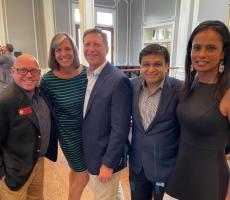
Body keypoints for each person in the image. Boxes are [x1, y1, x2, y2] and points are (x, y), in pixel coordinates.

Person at [164, 20, 230, 200]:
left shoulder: (228, 93)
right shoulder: (190, 86)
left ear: (223, 52)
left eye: (210, 48)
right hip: (180, 174)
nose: (201, 54)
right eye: (196, 47)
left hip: (209, 181)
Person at [82, 28, 132, 200]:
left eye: (96, 44)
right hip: (94, 153)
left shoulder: (118, 80)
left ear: (107, 49)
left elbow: (121, 128)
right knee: (115, 194)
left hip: (106, 157)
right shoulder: (88, 75)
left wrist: (108, 164)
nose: (91, 49)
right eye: (87, 44)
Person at [0, 54, 58, 200]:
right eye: (22, 70)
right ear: (13, 71)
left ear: (39, 73)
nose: (28, 75)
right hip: (14, 171)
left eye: (33, 71)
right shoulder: (5, 101)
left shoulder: (41, 94)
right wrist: (2, 174)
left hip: (38, 163)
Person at [39, 33, 89, 200]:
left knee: (76, 171)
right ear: (53, 54)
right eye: (58, 50)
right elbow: (44, 112)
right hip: (69, 136)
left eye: (67, 48)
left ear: (74, 51)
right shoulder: (48, 81)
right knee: (84, 176)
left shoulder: (87, 74)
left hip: (90, 134)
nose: (63, 53)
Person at [129, 44, 182, 200]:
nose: (151, 69)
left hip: (166, 167)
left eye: (157, 64)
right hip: (137, 165)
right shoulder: (132, 86)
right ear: (140, 66)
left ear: (167, 66)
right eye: (146, 64)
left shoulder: (180, 89)